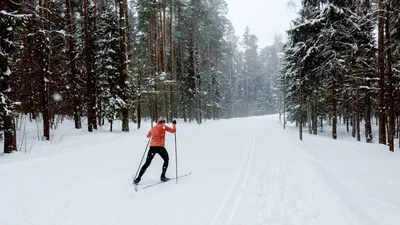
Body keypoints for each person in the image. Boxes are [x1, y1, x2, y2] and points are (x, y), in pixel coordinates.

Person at [134, 117, 176, 184]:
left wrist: (153, 133)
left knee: (147, 163)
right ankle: (163, 177)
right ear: (163, 121)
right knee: (166, 160)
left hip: (152, 147)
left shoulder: (153, 128)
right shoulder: (163, 126)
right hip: (160, 147)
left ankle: (138, 179)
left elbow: (148, 136)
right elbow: (174, 131)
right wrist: (174, 124)